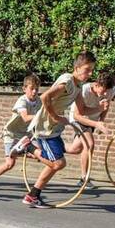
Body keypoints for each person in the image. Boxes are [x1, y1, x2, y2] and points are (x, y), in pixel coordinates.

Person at [22, 51, 100, 208]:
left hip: (53, 129)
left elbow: (82, 110)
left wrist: (100, 108)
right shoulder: (67, 81)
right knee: (58, 163)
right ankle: (28, 147)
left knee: (55, 163)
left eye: (92, 70)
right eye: (87, 69)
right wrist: (56, 117)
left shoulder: (78, 86)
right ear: (77, 68)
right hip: (44, 128)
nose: (90, 73)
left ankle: (32, 196)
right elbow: (45, 97)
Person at [0, 74, 43, 192]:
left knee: (41, 152)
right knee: (9, 164)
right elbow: (25, 117)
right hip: (12, 134)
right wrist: (41, 116)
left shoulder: (39, 101)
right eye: (32, 88)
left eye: (37, 89)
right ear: (24, 89)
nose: (34, 91)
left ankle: (19, 150)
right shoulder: (22, 101)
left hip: (26, 134)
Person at [68, 71, 115, 188]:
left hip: (93, 120)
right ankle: (84, 178)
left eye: (107, 91)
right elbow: (77, 115)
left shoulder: (111, 90)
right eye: (103, 90)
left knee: (75, 149)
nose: (105, 93)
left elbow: (106, 105)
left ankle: (56, 147)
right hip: (78, 119)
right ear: (96, 84)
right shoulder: (84, 91)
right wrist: (97, 124)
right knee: (89, 145)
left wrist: (101, 121)